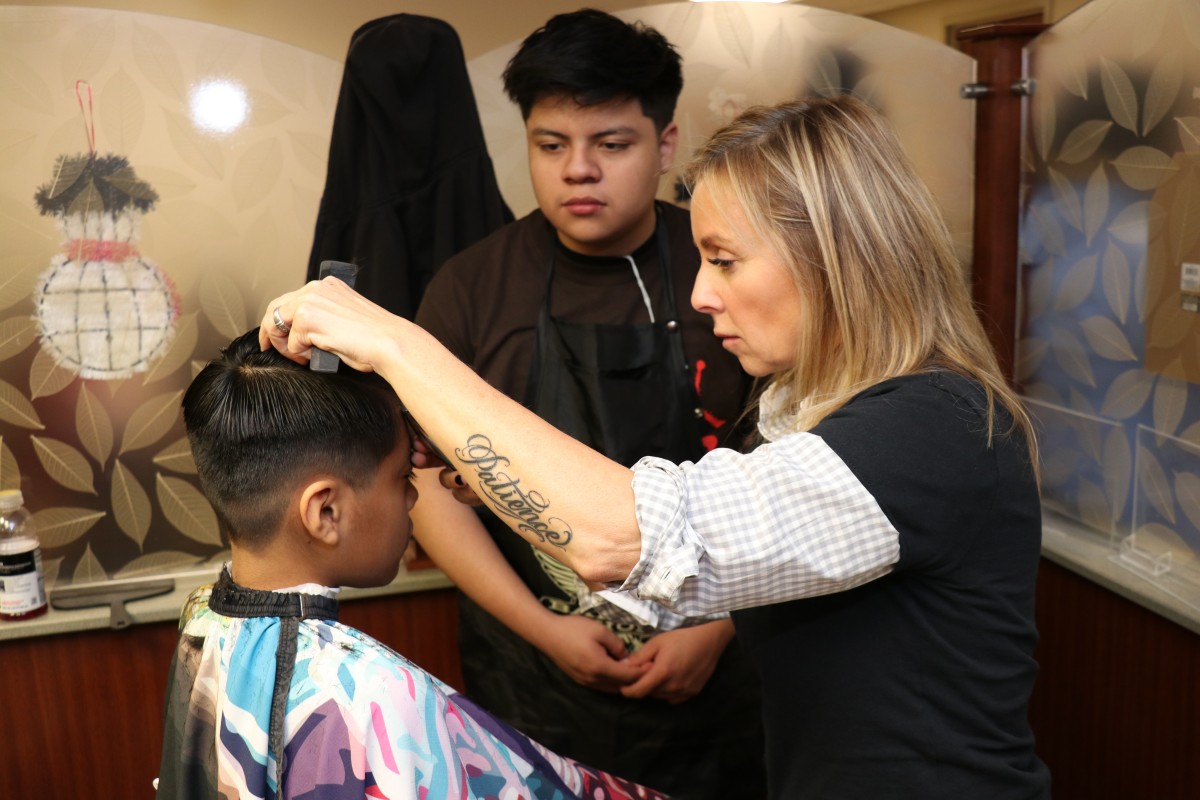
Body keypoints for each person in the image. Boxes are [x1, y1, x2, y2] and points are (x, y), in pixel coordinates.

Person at [262, 94, 1053, 799]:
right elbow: (660, 543)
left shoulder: (930, 426)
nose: (704, 295)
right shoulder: (803, 407)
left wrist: (396, 344)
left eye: (726, 260)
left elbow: (625, 539)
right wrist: (488, 482)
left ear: (836, 257)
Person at [409, 9, 764, 798]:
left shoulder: (730, 273)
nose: (578, 171)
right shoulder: (470, 288)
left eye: (611, 144)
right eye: (550, 145)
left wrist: (720, 628)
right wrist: (547, 631)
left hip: (719, 689)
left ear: (665, 144)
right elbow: (431, 489)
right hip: (532, 677)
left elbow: (798, 465)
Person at [155, 328, 670, 800]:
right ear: (326, 511)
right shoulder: (379, 696)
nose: (413, 499)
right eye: (404, 477)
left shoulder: (200, 621)